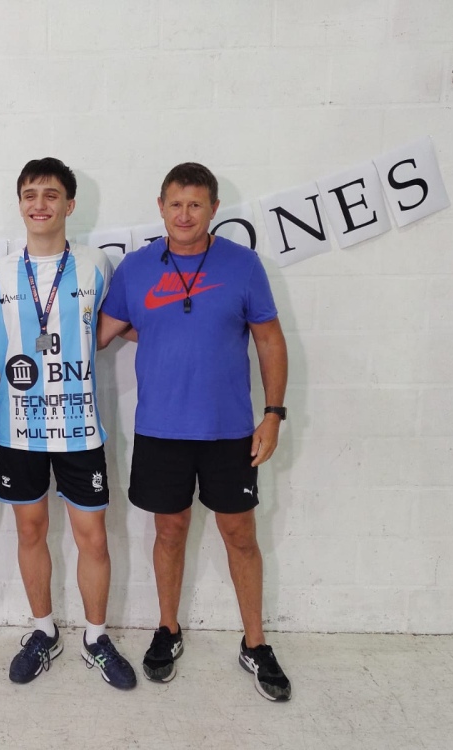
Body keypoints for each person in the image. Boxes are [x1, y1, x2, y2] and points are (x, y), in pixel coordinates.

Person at [98, 162, 293, 702]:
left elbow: (270, 341)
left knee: (241, 537)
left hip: (230, 431)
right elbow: (98, 335)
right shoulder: (135, 269)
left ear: (212, 210)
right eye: (175, 204)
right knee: (169, 532)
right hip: (161, 430)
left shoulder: (243, 264)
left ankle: (255, 644)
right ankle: (168, 629)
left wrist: (273, 413)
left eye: (196, 204)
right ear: (160, 207)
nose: (185, 214)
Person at [0, 158, 136, 690]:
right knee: (31, 529)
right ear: (19, 204)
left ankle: (95, 637)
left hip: (80, 430)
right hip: (19, 430)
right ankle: (44, 632)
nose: (38, 203)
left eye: (50, 194)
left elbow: (121, 323)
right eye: (29, 194)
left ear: (69, 205)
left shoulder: (96, 265)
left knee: (93, 537)